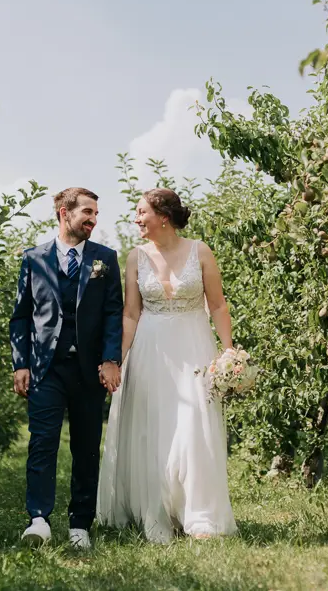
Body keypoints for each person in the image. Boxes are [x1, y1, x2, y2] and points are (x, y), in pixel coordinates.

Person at [97, 188, 237, 543]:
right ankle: (155, 512)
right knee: (153, 429)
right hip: (149, 348)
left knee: (194, 428)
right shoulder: (135, 257)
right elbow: (131, 314)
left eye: (141, 211)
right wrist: (118, 360)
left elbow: (218, 306)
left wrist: (229, 351)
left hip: (193, 347)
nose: (136, 218)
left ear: (163, 216)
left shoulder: (200, 251)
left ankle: (199, 515)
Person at [9, 187, 124, 549]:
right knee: (42, 443)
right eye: (87, 212)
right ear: (64, 212)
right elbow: (21, 316)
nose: (92, 219)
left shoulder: (105, 258)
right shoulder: (34, 258)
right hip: (46, 368)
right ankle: (39, 520)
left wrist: (110, 360)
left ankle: (80, 525)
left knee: (87, 448)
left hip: (90, 370)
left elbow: (112, 313)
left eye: (95, 215)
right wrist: (21, 363)